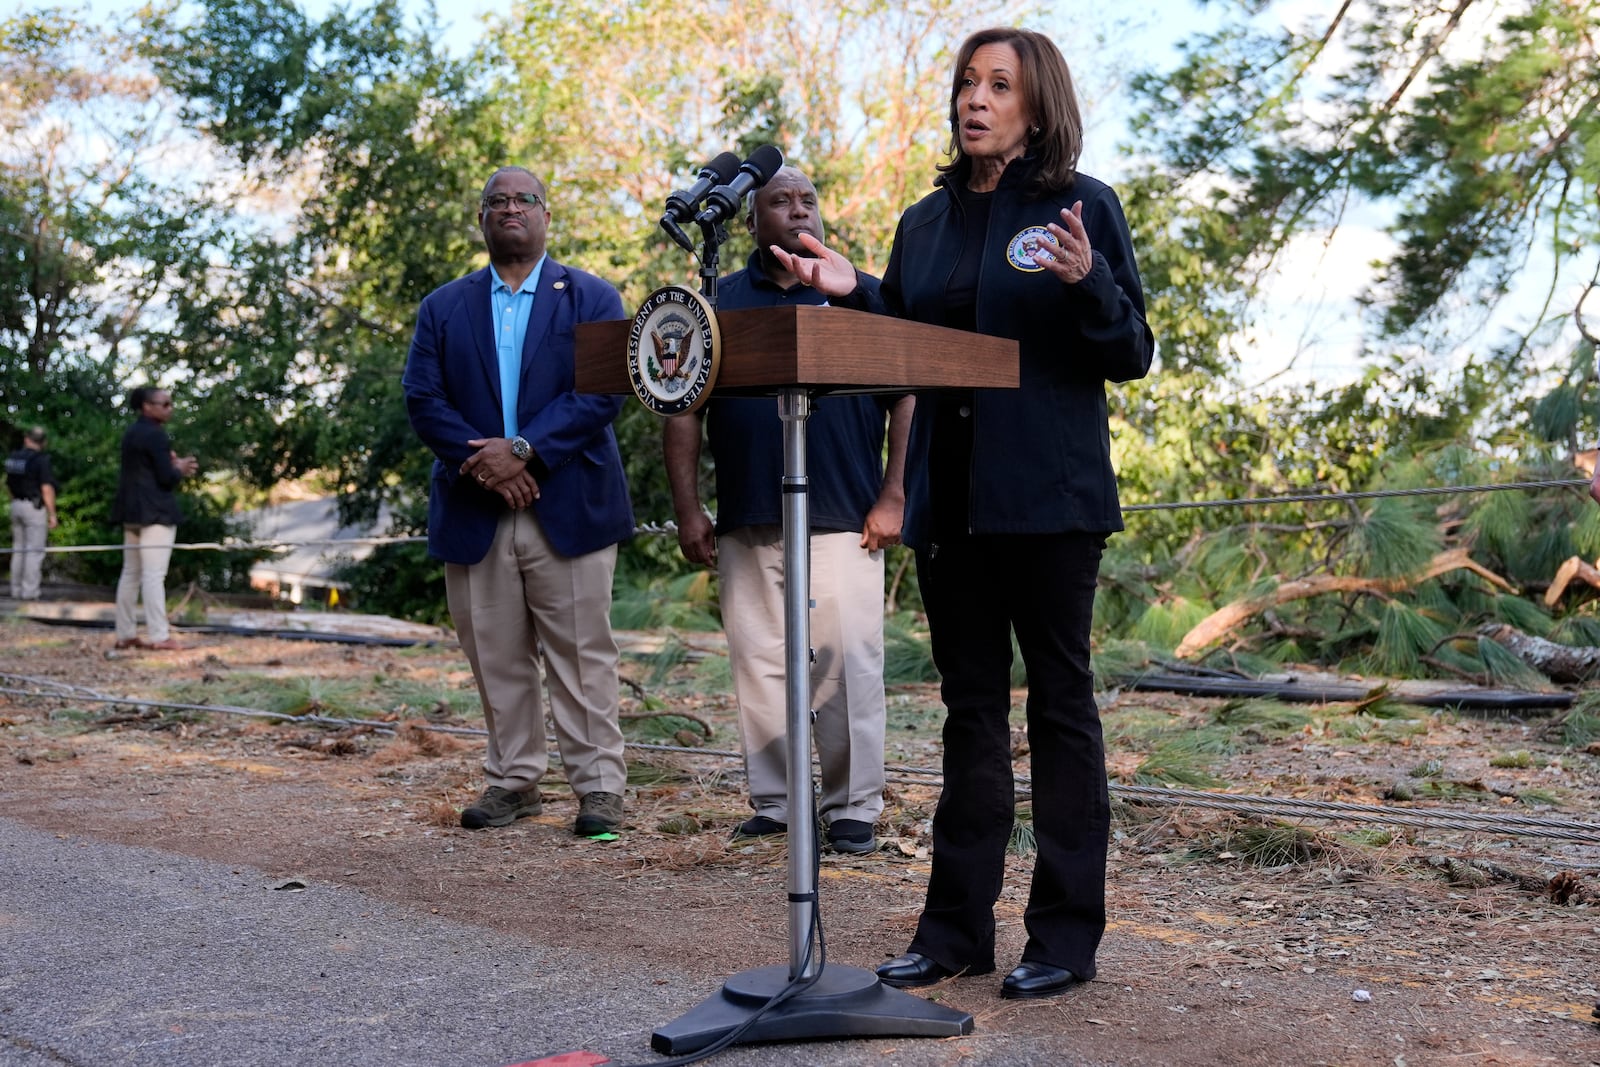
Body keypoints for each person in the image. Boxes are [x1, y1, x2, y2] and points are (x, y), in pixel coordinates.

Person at [773, 27, 1155, 999]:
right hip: (956, 504)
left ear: (1038, 104)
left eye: (997, 85)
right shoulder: (926, 222)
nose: (973, 100)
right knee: (968, 713)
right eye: (965, 84)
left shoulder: (1083, 207)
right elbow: (905, 343)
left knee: (1061, 709)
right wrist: (850, 287)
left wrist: (1089, 282)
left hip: (1052, 502)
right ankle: (953, 931)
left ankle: (1064, 936)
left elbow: (1131, 351)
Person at [663, 166, 913, 855]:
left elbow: (906, 396)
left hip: (844, 511)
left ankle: (852, 805)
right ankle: (776, 802)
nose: (798, 209)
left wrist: (894, 494)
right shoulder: (717, 301)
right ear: (752, 220)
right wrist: (690, 510)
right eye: (780, 200)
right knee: (759, 664)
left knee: (848, 665)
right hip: (748, 513)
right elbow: (681, 411)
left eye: (808, 199)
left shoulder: (858, 293)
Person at [403, 165, 634, 837]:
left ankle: (598, 790)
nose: (511, 208)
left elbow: (602, 394)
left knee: (583, 654)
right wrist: (490, 467)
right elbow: (424, 399)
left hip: (569, 504)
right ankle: (514, 781)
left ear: (546, 216)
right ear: (481, 219)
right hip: (477, 508)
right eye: (497, 201)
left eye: (524, 199)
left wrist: (525, 451)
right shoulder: (443, 307)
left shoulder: (591, 296)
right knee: (495, 654)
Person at [111, 388, 199, 651]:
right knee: (153, 575)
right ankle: (159, 636)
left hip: (131, 511)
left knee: (130, 573)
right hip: (155, 513)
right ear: (147, 406)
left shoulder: (132, 433)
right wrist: (179, 468)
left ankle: (125, 633)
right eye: (165, 404)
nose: (169, 408)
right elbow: (165, 477)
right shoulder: (155, 435)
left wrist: (171, 465)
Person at [6, 426, 60, 601]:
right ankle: (29, 593)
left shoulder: (14, 458)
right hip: (33, 507)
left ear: (26, 439)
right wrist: (52, 514)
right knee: (34, 551)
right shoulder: (41, 460)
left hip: (15, 504)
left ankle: (15, 590)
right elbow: (46, 488)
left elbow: (8, 484)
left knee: (18, 549)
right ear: (43, 442)